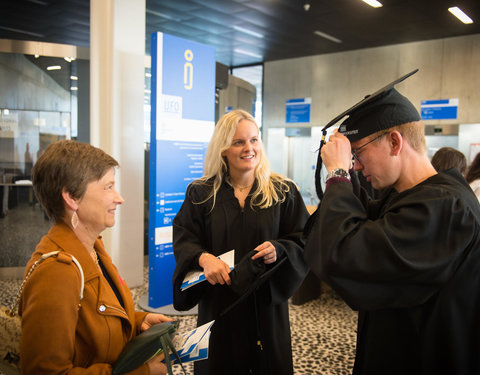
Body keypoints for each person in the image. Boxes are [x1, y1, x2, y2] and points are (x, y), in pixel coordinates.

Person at [304, 85, 480, 374]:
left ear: (395, 142)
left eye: (358, 154)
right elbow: (348, 224)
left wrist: (337, 174)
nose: (355, 166)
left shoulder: (445, 206)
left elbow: (346, 255)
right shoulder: (406, 196)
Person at [172, 109, 309, 375]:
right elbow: (184, 236)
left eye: (254, 140)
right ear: (224, 149)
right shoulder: (201, 193)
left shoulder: (283, 192)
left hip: (265, 305)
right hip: (219, 304)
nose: (249, 148)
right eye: (239, 142)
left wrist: (280, 249)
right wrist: (203, 258)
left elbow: (302, 238)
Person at [20, 140, 173, 375]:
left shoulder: (93, 248)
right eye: (108, 187)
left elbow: (93, 324)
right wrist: (142, 373)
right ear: (72, 197)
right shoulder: (56, 272)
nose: (119, 198)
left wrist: (137, 321)